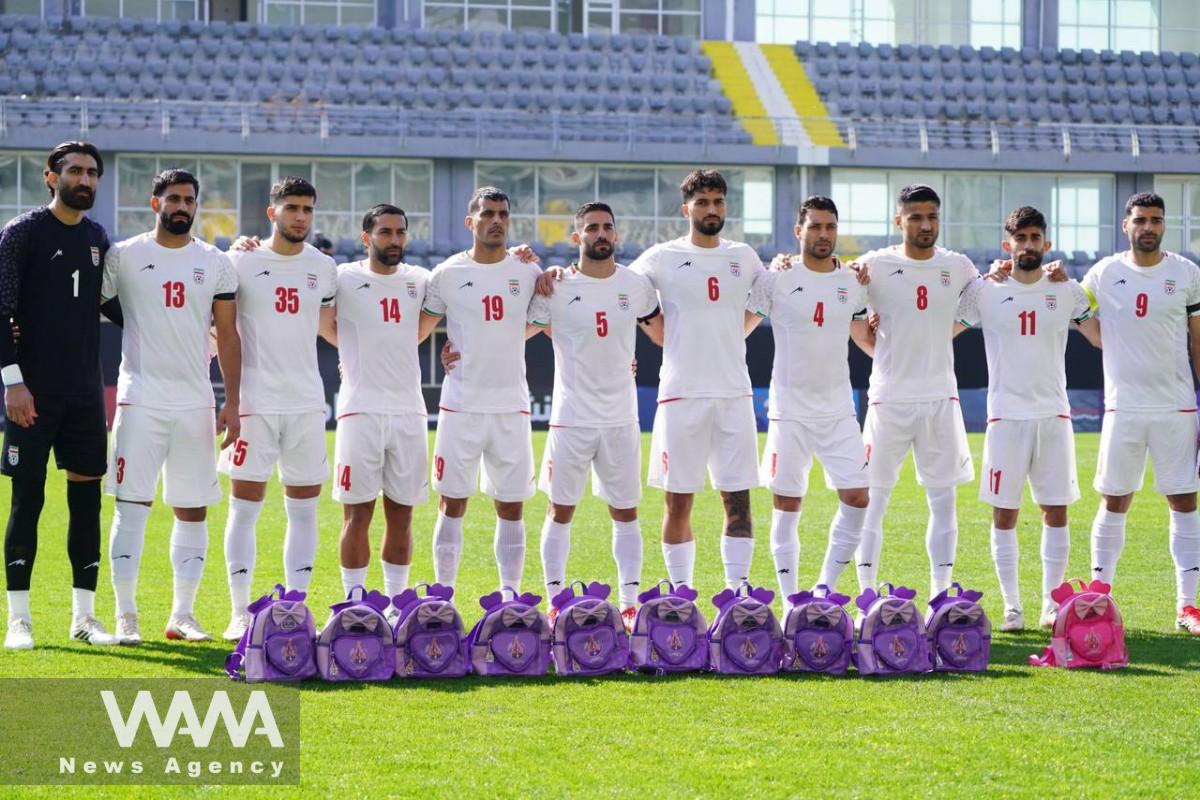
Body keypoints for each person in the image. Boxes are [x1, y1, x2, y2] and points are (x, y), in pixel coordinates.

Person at [101, 168, 241, 644]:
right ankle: (126, 614)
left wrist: (232, 402)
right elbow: (98, 305)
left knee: (193, 508)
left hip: (195, 403)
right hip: (139, 398)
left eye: (189, 200)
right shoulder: (125, 255)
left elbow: (227, 334)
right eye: (174, 198)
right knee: (132, 506)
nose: (182, 206)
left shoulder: (215, 261)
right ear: (154, 202)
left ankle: (182, 614)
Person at [1, 141, 121, 649]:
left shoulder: (97, 236)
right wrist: (13, 381)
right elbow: (2, 310)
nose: (86, 180)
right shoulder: (22, 234)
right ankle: (19, 619)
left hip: (84, 396)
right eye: (75, 171)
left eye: (93, 172)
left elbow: (120, 307)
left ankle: (84, 617)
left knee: (86, 503)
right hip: (32, 393)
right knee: (27, 498)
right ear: (51, 177)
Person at [956, 206, 1098, 630]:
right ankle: (1013, 606)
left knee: (1055, 511)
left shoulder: (1068, 292)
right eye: (1021, 238)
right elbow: (940, 328)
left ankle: (1051, 605)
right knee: (1005, 514)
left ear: (1046, 243)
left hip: (1054, 416)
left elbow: (1099, 337)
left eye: (1035, 238)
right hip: (1005, 419)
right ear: (1008, 245)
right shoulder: (986, 292)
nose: (1028, 245)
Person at [627, 169, 765, 590]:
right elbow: (616, 292)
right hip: (680, 395)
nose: (711, 209)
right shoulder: (660, 256)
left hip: (733, 394)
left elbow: (767, 298)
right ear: (686, 209)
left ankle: (737, 595)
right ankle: (681, 598)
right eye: (702, 202)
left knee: (738, 503)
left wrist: (733, 331)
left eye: (718, 201)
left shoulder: (744, 256)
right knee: (678, 502)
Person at [524, 202, 658, 630]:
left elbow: (664, 334)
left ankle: (631, 602)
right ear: (576, 236)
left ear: (616, 235)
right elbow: (514, 328)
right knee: (560, 509)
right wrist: (460, 351)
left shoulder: (636, 286)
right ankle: (556, 599)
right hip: (571, 417)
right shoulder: (556, 286)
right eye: (592, 228)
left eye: (607, 228)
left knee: (626, 512)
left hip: (621, 417)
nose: (600, 234)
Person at [219, 176, 337, 641]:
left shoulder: (323, 267)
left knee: (304, 512)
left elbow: (332, 325)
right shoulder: (241, 259)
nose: (300, 216)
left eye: (307, 209)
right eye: (291, 208)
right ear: (272, 213)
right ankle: (239, 612)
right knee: (243, 510)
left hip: (307, 404)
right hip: (255, 405)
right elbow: (220, 326)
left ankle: (296, 608)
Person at [851, 184, 978, 601]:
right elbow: (843, 300)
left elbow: (978, 305)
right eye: (916, 216)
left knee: (943, 501)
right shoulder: (874, 264)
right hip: (888, 400)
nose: (925, 225)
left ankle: (941, 593)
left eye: (932, 217)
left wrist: (943, 335)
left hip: (940, 400)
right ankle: (866, 594)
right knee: (872, 500)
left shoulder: (958, 267)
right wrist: (875, 346)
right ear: (899, 220)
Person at [1081, 192, 1200, 634]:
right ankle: (1098, 596)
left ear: (1163, 226)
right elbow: (1076, 309)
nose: (1148, 227)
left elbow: (1198, 342)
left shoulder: (1186, 274)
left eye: (1155, 220)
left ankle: (1187, 606)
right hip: (1124, 407)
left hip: (1176, 406)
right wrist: (1100, 339)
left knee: (1184, 501)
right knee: (1114, 499)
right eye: (1140, 220)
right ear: (1125, 226)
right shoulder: (1105, 272)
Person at [747, 196, 872, 606]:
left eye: (830, 227)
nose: (823, 234)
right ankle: (790, 603)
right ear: (799, 231)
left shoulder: (854, 281)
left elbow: (864, 336)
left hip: (838, 411)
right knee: (787, 504)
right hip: (789, 413)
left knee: (858, 498)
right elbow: (738, 329)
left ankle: (825, 587)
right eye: (815, 226)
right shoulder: (776, 278)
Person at [417, 187, 542, 596]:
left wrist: (505, 340)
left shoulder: (527, 272)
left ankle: (510, 597)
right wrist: (447, 354)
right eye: (487, 213)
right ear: (470, 222)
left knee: (511, 505)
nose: (496, 220)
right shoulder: (447, 274)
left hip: (511, 407)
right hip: (461, 407)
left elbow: (546, 318)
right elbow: (418, 329)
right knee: (452, 503)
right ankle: (443, 597)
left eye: (503, 214)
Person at [326, 204, 432, 613]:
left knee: (402, 515)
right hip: (360, 412)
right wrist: (349, 350)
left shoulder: (422, 280)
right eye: (385, 232)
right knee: (357, 514)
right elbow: (323, 321)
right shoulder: (343, 277)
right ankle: (354, 603)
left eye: (400, 232)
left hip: (409, 412)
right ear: (366, 237)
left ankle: (393, 604)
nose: (394, 240)